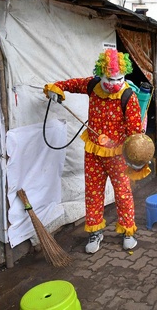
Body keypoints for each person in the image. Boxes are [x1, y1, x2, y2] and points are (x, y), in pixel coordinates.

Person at [44, 48, 143, 254]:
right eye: (109, 78)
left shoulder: (128, 96)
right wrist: (56, 89)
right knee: (93, 194)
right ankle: (95, 233)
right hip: (93, 153)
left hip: (117, 155)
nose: (114, 83)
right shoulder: (92, 85)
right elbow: (69, 84)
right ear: (100, 74)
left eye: (119, 78)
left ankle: (128, 232)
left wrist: (136, 156)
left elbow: (134, 133)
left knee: (123, 193)